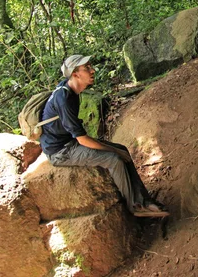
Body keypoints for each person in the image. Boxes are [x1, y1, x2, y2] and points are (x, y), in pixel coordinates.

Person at [40, 54, 168, 217]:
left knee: (122, 149)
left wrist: (116, 149)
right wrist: (111, 150)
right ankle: (135, 206)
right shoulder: (65, 99)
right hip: (60, 151)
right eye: (87, 68)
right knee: (114, 159)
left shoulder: (70, 89)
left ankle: (144, 200)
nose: (92, 70)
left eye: (90, 66)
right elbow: (82, 139)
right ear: (75, 74)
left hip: (69, 142)